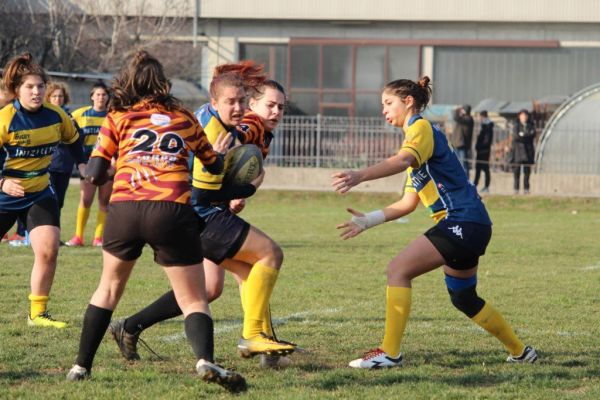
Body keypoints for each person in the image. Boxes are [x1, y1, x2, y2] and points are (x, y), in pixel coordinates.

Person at [65, 50, 246, 393]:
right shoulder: (184, 117)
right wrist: (221, 157)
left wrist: (123, 164)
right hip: (171, 210)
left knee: (108, 289)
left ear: (128, 83)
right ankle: (204, 360)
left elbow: (95, 174)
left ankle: (80, 366)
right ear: (164, 83)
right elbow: (213, 166)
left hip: (125, 210)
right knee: (193, 298)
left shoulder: (118, 116)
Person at [332, 76, 537, 369]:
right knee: (464, 298)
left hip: (462, 221)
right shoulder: (418, 144)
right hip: (473, 225)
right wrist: (368, 221)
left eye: (388, 103)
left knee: (397, 270)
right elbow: (407, 203)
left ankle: (390, 352)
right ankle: (521, 352)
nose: (383, 110)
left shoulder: (420, 129)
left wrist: (359, 175)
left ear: (408, 102)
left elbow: (402, 160)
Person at [107, 67, 296, 367]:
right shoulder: (246, 126)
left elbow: (218, 173)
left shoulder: (246, 127)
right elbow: (210, 179)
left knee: (215, 286)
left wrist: (230, 195)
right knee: (268, 255)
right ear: (253, 104)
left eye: (281, 107)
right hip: (197, 212)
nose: (276, 112)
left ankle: (130, 327)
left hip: (195, 209)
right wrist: (247, 187)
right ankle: (255, 339)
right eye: (270, 105)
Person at [0, 53, 86, 328]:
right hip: (4, 195)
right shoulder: (5, 119)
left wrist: (83, 163)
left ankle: (37, 314)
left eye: (40, 86)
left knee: (49, 250)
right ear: (17, 90)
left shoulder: (56, 114)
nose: (36, 92)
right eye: (29, 87)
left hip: (39, 191)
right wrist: (2, 182)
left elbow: (74, 139)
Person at [66, 82, 111, 247]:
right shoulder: (80, 114)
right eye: (98, 94)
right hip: (88, 164)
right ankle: (78, 237)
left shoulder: (112, 115)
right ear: (92, 96)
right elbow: (69, 132)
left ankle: (98, 238)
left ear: (108, 97)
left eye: (104, 95)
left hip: (107, 164)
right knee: (85, 200)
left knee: (104, 201)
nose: (101, 97)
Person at [45, 82, 83, 223]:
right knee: (48, 201)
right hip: (48, 166)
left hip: (65, 166)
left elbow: (80, 137)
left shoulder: (68, 116)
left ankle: (55, 230)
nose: (58, 99)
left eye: (60, 96)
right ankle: (29, 231)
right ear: (48, 98)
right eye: (54, 96)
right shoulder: (44, 115)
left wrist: (74, 128)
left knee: (59, 202)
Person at [509, 109, 535, 194]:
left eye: (525, 115)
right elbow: (516, 137)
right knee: (516, 171)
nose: (524, 117)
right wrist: (525, 136)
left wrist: (524, 135)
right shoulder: (516, 126)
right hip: (518, 152)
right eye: (522, 115)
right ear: (519, 116)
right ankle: (516, 189)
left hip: (528, 152)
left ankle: (526, 189)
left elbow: (532, 135)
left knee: (527, 172)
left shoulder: (531, 125)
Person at [473, 110, 494, 193]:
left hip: (484, 151)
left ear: (482, 117)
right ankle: (475, 185)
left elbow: (487, 140)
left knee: (485, 169)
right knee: (478, 169)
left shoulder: (487, 126)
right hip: (481, 151)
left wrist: (479, 146)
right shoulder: (483, 126)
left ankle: (486, 186)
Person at [451, 104, 474, 178]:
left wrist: (457, 110)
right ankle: (459, 179)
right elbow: (456, 118)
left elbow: (456, 117)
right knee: (457, 164)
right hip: (457, 144)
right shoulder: (463, 118)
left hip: (462, 145)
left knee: (463, 164)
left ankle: (466, 180)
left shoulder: (468, 119)